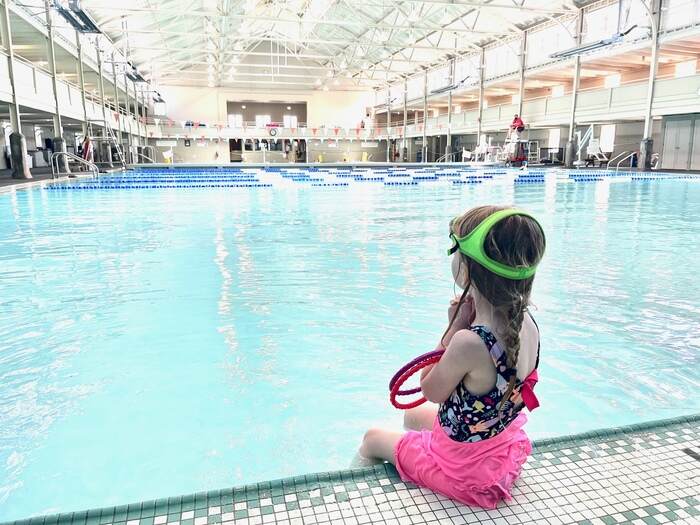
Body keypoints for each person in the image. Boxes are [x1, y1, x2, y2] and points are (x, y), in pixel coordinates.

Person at [360, 206, 546, 509]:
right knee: (411, 417)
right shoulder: (526, 324)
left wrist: (454, 327)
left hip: (463, 469)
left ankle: (366, 495)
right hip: (496, 444)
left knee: (372, 438)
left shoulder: (469, 342)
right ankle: (418, 447)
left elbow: (430, 390)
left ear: (466, 270)